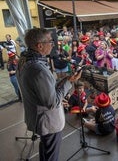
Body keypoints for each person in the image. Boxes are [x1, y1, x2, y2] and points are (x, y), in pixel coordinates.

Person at [16, 28, 81, 161]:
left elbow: (42, 88)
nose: (53, 44)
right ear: (40, 45)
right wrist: (69, 82)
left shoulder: (24, 60)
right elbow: (52, 102)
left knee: (46, 149)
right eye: (50, 41)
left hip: (37, 117)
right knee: (51, 155)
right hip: (48, 122)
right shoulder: (38, 69)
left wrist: (62, 81)